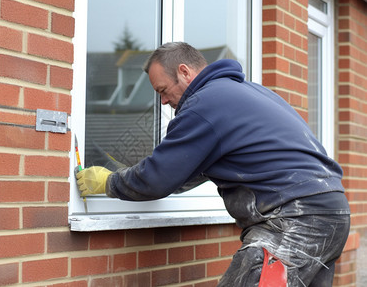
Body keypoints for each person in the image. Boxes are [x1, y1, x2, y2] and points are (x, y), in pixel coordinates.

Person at [76, 42, 350, 286]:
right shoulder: (244, 92)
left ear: (184, 72)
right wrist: (136, 172)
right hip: (331, 212)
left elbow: (158, 178)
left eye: (162, 89)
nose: (163, 100)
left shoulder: (203, 105)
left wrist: (108, 182)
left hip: (295, 219)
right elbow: (182, 175)